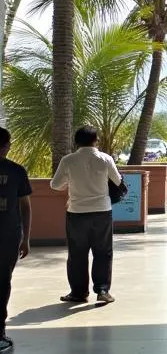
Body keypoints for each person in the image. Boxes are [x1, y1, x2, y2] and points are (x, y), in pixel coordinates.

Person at [51, 125, 123, 306]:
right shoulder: (105, 159)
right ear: (96, 140)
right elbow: (118, 181)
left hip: (76, 212)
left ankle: (78, 292)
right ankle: (102, 290)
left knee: (77, 254)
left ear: (76, 142)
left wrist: (71, 180)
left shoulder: (68, 160)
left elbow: (55, 185)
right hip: (102, 212)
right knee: (103, 252)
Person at [0, 128, 32, 354]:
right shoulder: (16, 171)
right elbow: (25, 206)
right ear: (5, 146)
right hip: (8, 236)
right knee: (3, 281)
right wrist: (26, 238)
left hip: (10, 235)